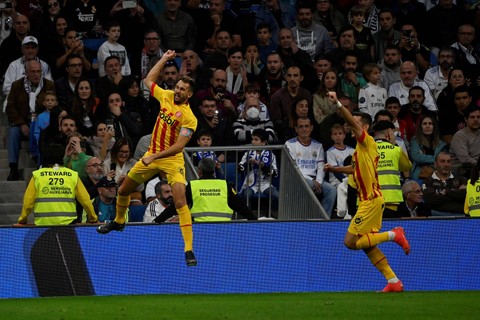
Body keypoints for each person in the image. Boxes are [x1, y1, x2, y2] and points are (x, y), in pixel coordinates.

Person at [97, 50, 199, 267]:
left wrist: (154, 156)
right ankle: (118, 222)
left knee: (180, 200)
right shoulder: (167, 96)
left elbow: (179, 146)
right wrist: (163, 59)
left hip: (171, 159)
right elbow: (147, 80)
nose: (178, 90)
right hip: (151, 154)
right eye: (177, 87)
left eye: (182, 89)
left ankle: (188, 249)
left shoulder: (190, 118)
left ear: (189, 94)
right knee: (123, 190)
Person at [325, 91, 410, 292]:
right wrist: (335, 169)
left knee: (350, 242)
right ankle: (393, 282)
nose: (349, 123)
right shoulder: (360, 149)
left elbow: (349, 120)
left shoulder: (365, 140)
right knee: (367, 245)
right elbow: (355, 169)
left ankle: (393, 234)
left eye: (354, 121)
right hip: (369, 201)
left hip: (371, 200)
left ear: (363, 127)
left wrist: (337, 103)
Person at [17, 143, 98, 226]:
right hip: (68, 225)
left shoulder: (37, 175)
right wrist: (93, 218)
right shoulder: (72, 175)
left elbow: (28, 202)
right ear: (62, 157)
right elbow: (85, 200)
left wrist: (22, 219)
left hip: (43, 225)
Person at [5, 60, 55, 181]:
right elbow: (10, 107)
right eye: (33, 72)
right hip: (23, 122)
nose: (36, 74)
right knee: (13, 132)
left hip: (42, 121)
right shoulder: (17, 85)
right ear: (26, 73)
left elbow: (53, 104)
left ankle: (44, 164)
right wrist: (21, 123)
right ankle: (13, 168)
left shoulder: (49, 85)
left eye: (38, 71)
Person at [285, 116, 337, 217]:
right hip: (297, 179)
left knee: (331, 190)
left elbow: (321, 166)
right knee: (308, 184)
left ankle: (323, 218)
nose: (304, 129)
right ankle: (304, 217)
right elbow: (294, 168)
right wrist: (311, 181)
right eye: (301, 127)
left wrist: (318, 181)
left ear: (311, 128)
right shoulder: (290, 144)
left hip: (315, 180)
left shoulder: (318, 145)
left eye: (306, 126)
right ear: (296, 129)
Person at [189, 158, 256, 221]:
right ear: (213, 171)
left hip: (198, 228)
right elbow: (239, 205)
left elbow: (181, 204)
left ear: (199, 171)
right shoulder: (224, 184)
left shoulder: (192, 185)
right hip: (224, 227)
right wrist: (254, 219)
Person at [372, 120, 412, 218]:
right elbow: (406, 166)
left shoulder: (365, 150)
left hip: (369, 200)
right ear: (389, 133)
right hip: (390, 200)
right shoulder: (395, 149)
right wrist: (394, 144)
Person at [238, 128, 279, 214]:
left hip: (265, 183)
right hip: (251, 183)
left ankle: (269, 213)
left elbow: (275, 173)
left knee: (276, 195)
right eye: (252, 139)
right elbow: (240, 168)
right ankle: (247, 214)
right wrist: (247, 164)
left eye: (256, 140)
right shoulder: (248, 153)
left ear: (264, 142)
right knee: (247, 195)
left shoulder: (271, 155)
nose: (253, 142)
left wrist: (263, 166)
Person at [269, 65, 312, 143]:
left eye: (295, 76)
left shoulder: (307, 94)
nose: (292, 79)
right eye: (289, 75)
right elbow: (277, 123)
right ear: (286, 77)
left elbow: (310, 116)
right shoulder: (277, 97)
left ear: (301, 78)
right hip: (284, 136)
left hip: (306, 132)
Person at [422, 151, 467, 216]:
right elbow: (431, 201)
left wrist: (446, 192)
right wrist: (456, 193)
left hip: (459, 215)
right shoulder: (428, 181)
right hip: (437, 217)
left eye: (448, 161)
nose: (446, 165)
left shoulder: (461, 179)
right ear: (435, 164)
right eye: (442, 161)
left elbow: (465, 197)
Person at [409, 116, 447, 180]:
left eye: (430, 123)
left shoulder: (441, 144)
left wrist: (424, 157)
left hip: (437, 172)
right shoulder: (415, 141)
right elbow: (416, 157)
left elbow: (444, 160)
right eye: (424, 124)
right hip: (419, 173)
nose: (427, 126)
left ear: (434, 126)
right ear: (420, 127)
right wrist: (436, 158)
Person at [449, 104, 480, 177]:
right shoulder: (459, 136)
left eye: (478, 117)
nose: (476, 119)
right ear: (466, 119)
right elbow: (465, 160)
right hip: (460, 171)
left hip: (476, 169)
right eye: (472, 117)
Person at [326, 123, 354, 188]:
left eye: (340, 133)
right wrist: (346, 181)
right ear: (331, 137)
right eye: (335, 134)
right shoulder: (330, 152)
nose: (338, 136)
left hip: (351, 179)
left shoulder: (352, 150)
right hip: (336, 181)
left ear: (344, 135)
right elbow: (335, 171)